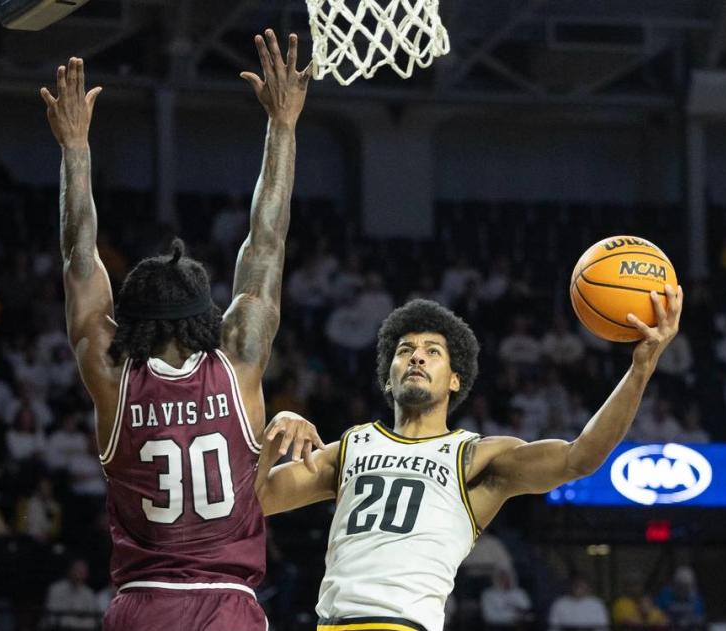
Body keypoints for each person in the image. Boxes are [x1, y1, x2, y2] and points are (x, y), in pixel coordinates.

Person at [37, 32, 320, 631]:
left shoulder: (113, 377)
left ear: (129, 323)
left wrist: (75, 147)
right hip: (227, 604)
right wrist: (284, 126)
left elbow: (78, 257)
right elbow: (266, 242)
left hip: (142, 604)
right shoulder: (240, 361)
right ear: (208, 318)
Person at [256, 284, 682, 631]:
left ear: (455, 380)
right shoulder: (352, 444)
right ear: (389, 376)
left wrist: (640, 369)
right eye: (405, 350)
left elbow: (579, 458)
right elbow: (257, 501)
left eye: (432, 351)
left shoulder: (477, 456)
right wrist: (273, 439)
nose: (416, 356)